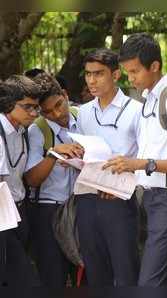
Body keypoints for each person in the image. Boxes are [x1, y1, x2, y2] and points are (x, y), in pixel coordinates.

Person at [103, 33, 167, 286]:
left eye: (134, 72)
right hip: (153, 199)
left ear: (154, 66)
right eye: (127, 72)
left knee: (149, 281)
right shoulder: (148, 100)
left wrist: (143, 163)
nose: (130, 78)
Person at [75, 48, 142, 286]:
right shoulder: (82, 113)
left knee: (125, 270)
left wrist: (121, 182)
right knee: (95, 270)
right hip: (87, 199)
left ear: (115, 75)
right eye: (88, 74)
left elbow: (145, 158)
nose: (91, 80)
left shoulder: (137, 111)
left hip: (119, 200)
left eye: (99, 74)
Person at [24, 72, 84, 286]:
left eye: (59, 105)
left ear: (66, 95)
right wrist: (53, 154)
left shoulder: (83, 116)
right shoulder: (37, 130)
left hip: (80, 207)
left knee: (84, 274)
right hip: (48, 211)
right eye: (47, 111)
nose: (57, 114)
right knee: (52, 276)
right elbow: (32, 179)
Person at [0, 79, 41, 286]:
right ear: (8, 104)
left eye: (36, 107)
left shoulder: (23, 131)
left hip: (20, 212)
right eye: (27, 107)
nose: (34, 113)